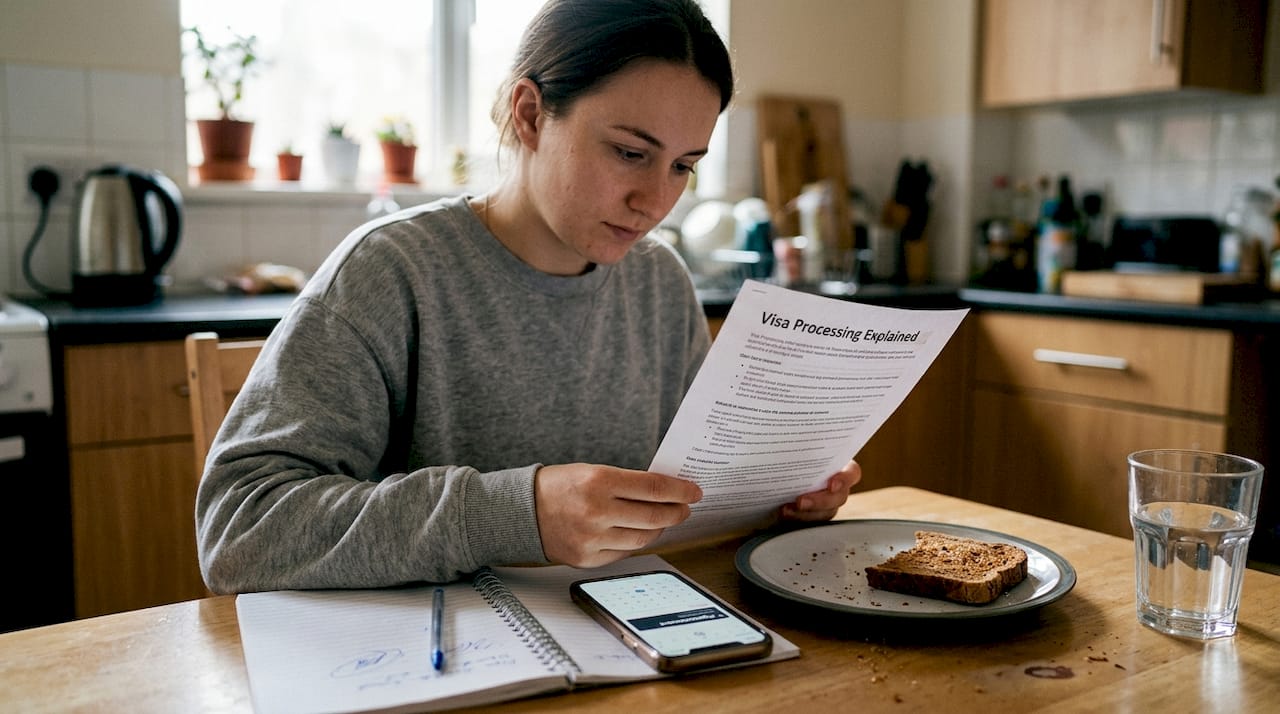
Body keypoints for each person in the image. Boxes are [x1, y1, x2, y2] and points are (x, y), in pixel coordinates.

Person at [195, 0, 861, 594]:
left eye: (683, 166)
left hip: (628, 655)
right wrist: (517, 514)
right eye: (630, 152)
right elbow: (239, 528)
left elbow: (681, 500)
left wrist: (774, 497)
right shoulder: (391, 272)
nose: (656, 201)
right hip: (435, 666)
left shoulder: (659, 282)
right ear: (531, 114)